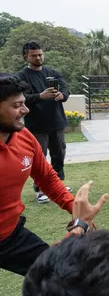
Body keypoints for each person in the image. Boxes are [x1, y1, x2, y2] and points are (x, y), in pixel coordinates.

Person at [0, 75, 74, 276]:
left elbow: (47, 177)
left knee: (59, 275)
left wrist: (74, 207)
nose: (25, 110)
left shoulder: (24, 136)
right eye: (17, 105)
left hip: (10, 235)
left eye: (24, 103)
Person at [17, 41, 71, 203]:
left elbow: (66, 88)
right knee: (40, 158)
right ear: (26, 56)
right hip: (37, 125)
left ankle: (58, 184)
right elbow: (21, 98)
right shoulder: (21, 76)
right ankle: (40, 189)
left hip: (57, 121)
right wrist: (40, 96)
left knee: (59, 154)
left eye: (40, 54)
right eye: (34, 55)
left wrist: (63, 95)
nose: (38, 58)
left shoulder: (52, 72)